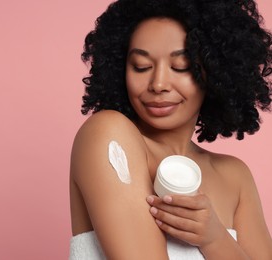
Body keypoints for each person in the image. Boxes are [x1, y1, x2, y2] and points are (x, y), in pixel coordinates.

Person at [69, 0, 272, 259]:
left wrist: (215, 238)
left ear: (215, 71)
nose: (159, 83)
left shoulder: (235, 177)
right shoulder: (108, 136)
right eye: (141, 66)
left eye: (181, 67)